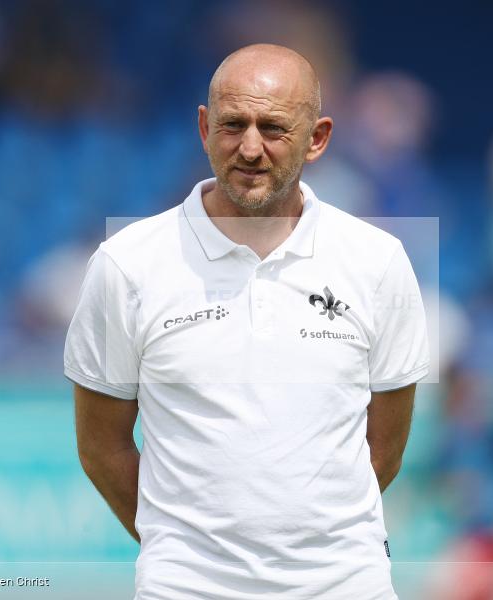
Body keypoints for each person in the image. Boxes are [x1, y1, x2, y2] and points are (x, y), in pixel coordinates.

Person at [64, 44, 429, 599]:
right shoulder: (128, 264)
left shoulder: (377, 261)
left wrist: (312, 550)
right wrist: (185, 552)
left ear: (318, 138)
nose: (251, 148)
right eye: (233, 125)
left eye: (274, 128)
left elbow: (386, 448)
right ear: (205, 128)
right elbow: (101, 446)